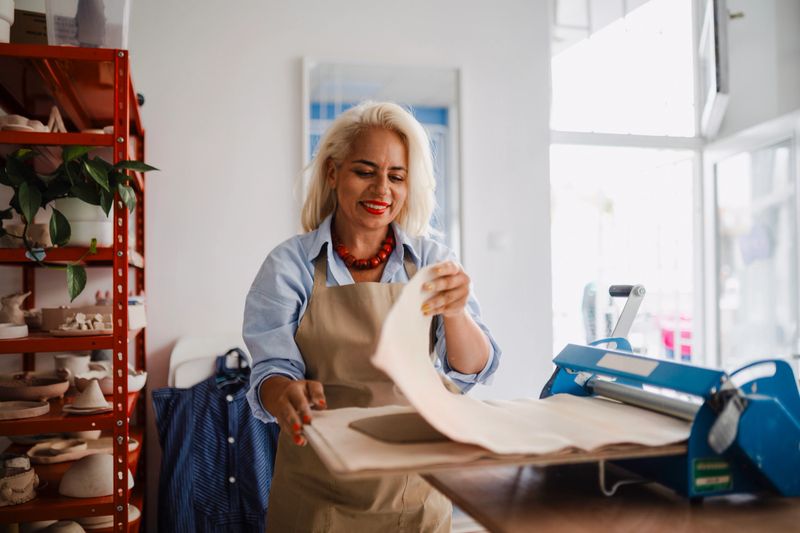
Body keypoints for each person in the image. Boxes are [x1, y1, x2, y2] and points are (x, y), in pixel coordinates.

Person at [243, 101, 501, 532]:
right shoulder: (290, 266)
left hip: (416, 494)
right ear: (332, 173)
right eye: (365, 171)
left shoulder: (433, 261)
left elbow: (473, 368)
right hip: (318, 494)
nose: (382, 189)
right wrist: (284, 394)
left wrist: (455, 313)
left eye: (396, 176)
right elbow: (272, 371)